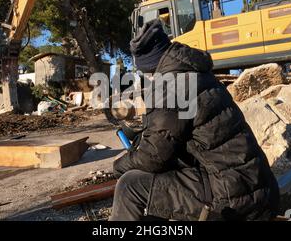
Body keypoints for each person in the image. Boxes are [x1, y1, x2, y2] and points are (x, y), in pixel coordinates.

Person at [109, 19, 279, 221]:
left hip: (235, 200)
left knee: (131, 185)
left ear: (148, 67)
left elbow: (153, 157)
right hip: (256, 187)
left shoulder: (169, 85)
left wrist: (117, 166)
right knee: (161, 177)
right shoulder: (197, 73)